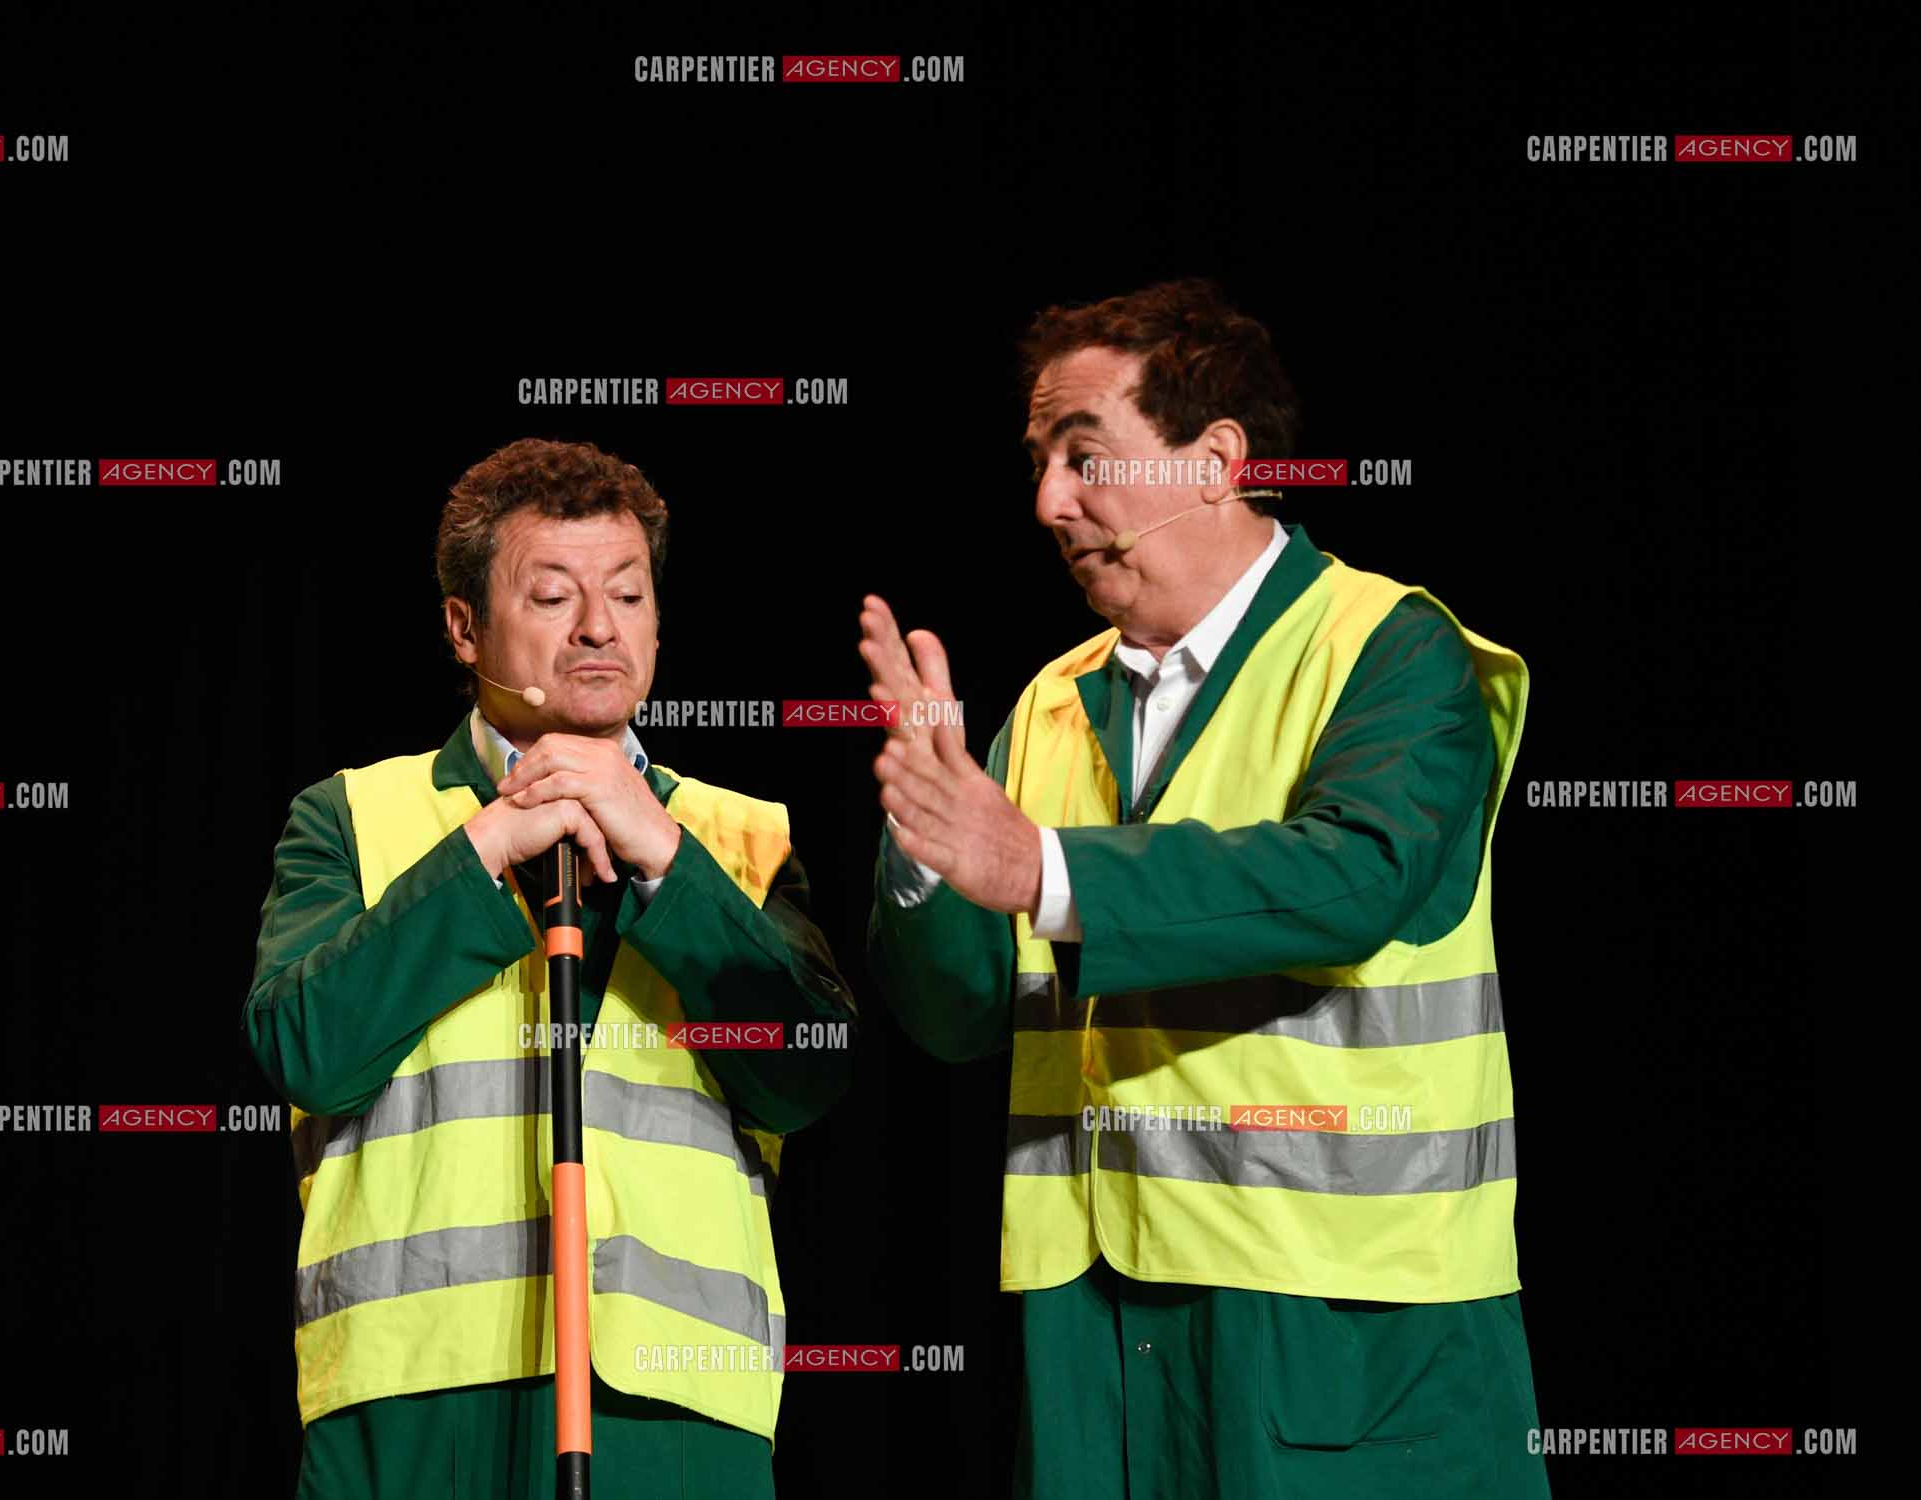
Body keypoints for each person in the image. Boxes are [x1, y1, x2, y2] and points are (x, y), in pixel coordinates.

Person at [860, 279, 1548, 1498]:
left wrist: (1037, 866)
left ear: (1215, 460)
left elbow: (1354, 878)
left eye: (1084, 456)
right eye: (1038, 463)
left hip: (1347, 1310)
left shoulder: (1390, 646)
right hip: (1093, 1323)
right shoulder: (1048, 702)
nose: (1048, 501)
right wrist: (923, 841)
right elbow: (959, 1017)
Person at [247, 437, 856, 1498]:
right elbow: (305, 1047)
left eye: (628, 593)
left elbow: (803, 1075)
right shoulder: (353, 816)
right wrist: (490, 845)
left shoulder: (736, 834)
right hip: (412, 1391)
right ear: (464, 625)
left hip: (674, 1405)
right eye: (553, 594)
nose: (598, 626)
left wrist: (664, 858)